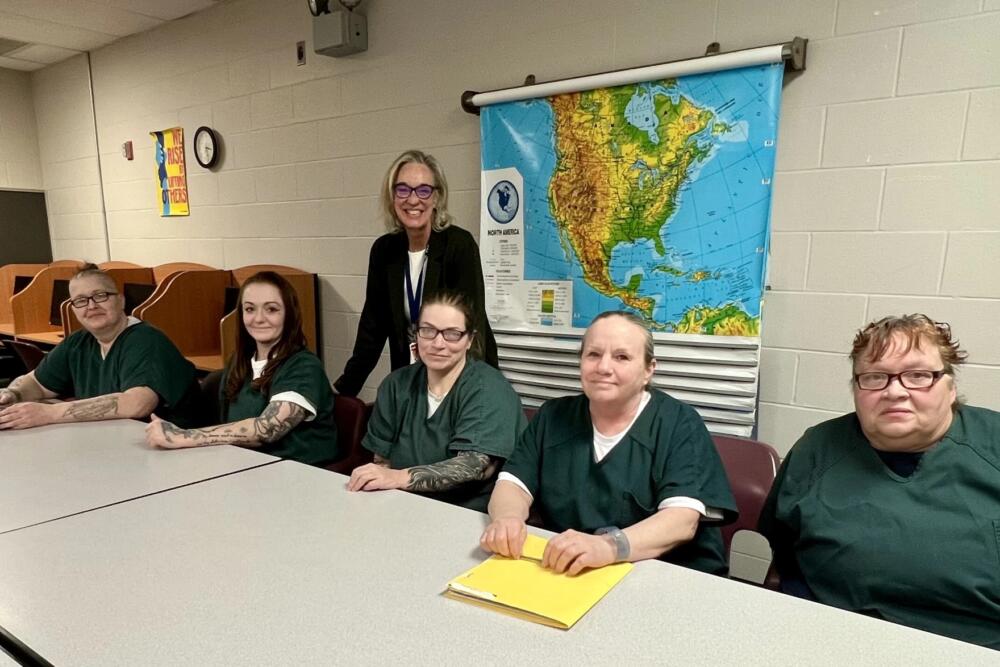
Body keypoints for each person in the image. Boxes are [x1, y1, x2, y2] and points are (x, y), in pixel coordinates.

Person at [759, 314, 1000, 650]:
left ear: (951, 387)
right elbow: (784, 549)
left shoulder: (992, 446)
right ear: (856, 389)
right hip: (829, 637)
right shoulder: (817, 448)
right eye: (875, 377)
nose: (895, 391)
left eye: (918, 375)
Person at [481, 311, 737, 576]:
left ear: (649, 370)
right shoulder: (553, 417)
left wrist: (608, 547)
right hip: (575, 572)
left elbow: (682, 521)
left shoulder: (679, 424)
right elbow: (513, 484)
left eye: (621, 357)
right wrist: (507, 519)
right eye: (593, 354)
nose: (603, 367)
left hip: (668, 574)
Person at [333, 149, 498, 397]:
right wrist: (343, 391)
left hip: (459, 377)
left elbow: (471, 326)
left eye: (423, 190)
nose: (412, 200)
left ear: (437, 197)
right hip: (410, 377)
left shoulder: (458, 245)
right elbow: (372, 329)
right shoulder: (384, 250)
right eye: (403, 189)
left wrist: (465, 395)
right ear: (392, 197)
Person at [347, 291, 524, 512]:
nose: (438, 343)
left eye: (452, 334)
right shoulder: (396, 384)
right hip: (402, 503)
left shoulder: (487, 388)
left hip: (465, 511)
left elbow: (476, 466)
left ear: (469, 340)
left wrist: (398, 477)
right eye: (428, 331)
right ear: (416, 334)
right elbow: (382, 458)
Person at [145, 271, 338, 466]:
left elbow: (266, 430)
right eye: (250, 309)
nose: (258, 318)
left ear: (289, 314)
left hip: (298, 472)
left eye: (271, 309)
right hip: (244, 466)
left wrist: (182, 437)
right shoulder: (240, 362)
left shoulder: (303, 366)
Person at [0, 264, 201, 430]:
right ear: (74, 309)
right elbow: (36, 382)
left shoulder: (146, 340)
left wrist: (49, 413)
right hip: (111, 442)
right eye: (81, 300)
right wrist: (14, 394)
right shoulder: (78, 342)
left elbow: (137, 403)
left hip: (170, 452)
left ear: (121, 301)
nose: (91, 306)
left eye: (100, 295)